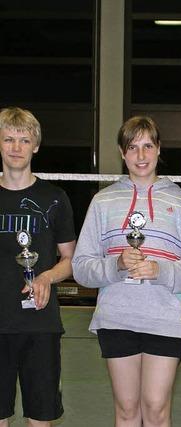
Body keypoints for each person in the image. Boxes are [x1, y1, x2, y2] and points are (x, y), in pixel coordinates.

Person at [72, 116, 181, 426]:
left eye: (148, 146)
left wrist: (161, 270)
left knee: (157, 410)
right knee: (126, 411)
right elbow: (81, 268)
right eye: (133, 148)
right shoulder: (102, 201)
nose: (141, 156)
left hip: (166, 319)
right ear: (122, 153)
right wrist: (116, 265)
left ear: (159, 149)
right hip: (117, 319)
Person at [0, 107, 76, 427]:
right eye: (8, 139)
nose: (16, 147)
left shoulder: (55, 198)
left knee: (40, 419)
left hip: (40, 326)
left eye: (23, 139)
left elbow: (70, 260)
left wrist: (46, 276)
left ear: (36, 146)